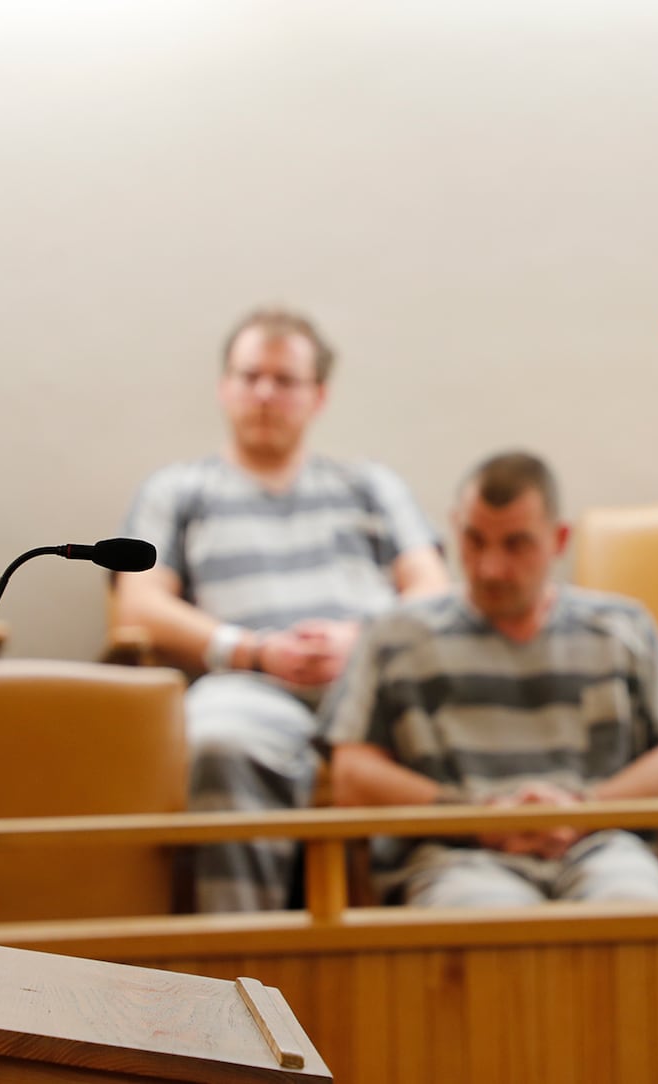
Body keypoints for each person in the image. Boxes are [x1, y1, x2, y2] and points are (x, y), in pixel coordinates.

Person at [113, 308, 448, 913]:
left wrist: (364, 641)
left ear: (317, 395)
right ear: (224, 387)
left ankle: (423, 945)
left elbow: (434, 590)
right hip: (245, 684)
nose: (265, 392)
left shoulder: (370, 486)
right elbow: (135, 607)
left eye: (285, 380)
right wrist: (255, 650)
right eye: (249, 376)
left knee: (461, 724)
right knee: (218, 738)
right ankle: (243, 961)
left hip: (369, 681)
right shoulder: (178, 491)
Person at [321, 451, 658, 906]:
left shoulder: (621, 628)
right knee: (486, 917)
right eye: (474, 540)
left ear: (559, 539)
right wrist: (473, 818)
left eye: (515, 544)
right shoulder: (396, 636)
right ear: (453, 526)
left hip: (603, 847)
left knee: (634, 901)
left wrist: (583, 811)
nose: (490, 567)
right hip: (454, 859)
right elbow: (350, 775)